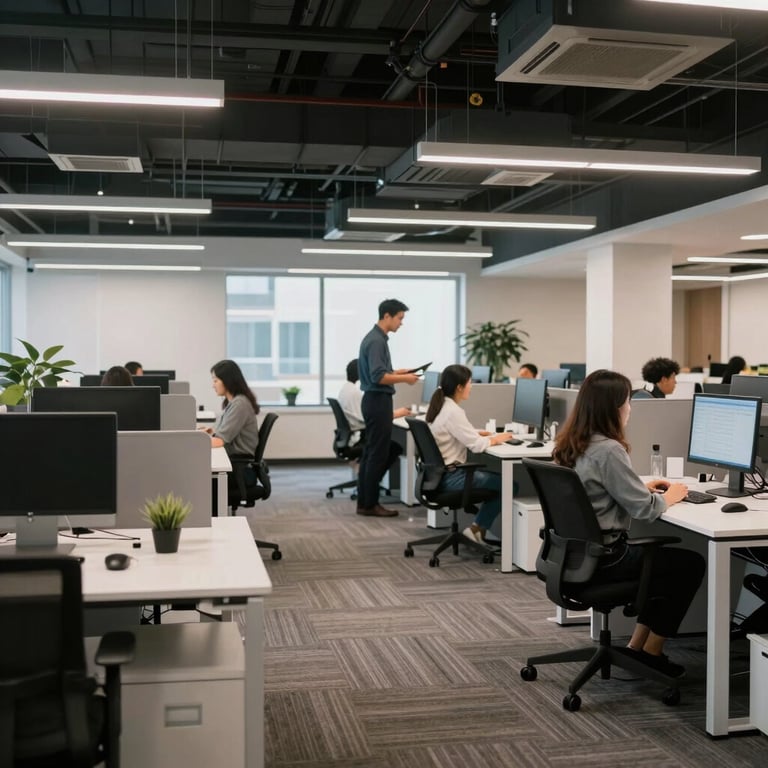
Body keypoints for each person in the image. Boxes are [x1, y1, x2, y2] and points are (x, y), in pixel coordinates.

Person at [552, 369, 705, 678]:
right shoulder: (609, 449)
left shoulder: (572, 442)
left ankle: (638, 647)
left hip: (575, 557)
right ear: (612, 408)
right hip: (607, 560)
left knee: (665, 565)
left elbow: (593, 490)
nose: (630, 408)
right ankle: (652, 651)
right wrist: (671, 495)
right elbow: (645, 510)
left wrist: (638, 487)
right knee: (689, 564)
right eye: (627, 402)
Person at [426, 364, 514, 542]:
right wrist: (498, 438)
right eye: (469, 383)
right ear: (459, 387)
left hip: (437, 476)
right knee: (509, 484)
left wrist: (476, 432)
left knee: (502, 482)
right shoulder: (453, 411)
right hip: (452, 477)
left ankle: (478, 531)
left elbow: (455, 431)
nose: (471, 387)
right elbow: (476, 446)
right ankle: (476, 530)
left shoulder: (442, 406)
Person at [357, 299, 420, 517]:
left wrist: (400, 372)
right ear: (387, 316)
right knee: (377, 455)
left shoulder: (375, 338)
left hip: (374, 400)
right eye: (400, 318)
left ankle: (365, 503)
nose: (401, 323)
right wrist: (405, 380)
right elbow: (378, 376)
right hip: (378, 401)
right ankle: (370, 504)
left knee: (371, 454)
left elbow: (381, 372)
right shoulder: (376, 341)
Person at [338, 358, 411, 444]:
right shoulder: (354, 392)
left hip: (353, 434)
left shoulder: (345, 389)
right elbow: (369, 419)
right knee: (395, 446)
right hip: (361, 436)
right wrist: (397, 413)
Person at [202, 359, 260, 456]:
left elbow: (220, 440)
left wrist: (193, 441)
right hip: (232, 453)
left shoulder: (240, 404)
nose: (213, 385)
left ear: (227, 381)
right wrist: (209, 432)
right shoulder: (234, 402)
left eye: (215, 381)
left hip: (238, 456)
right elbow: (224, 430)